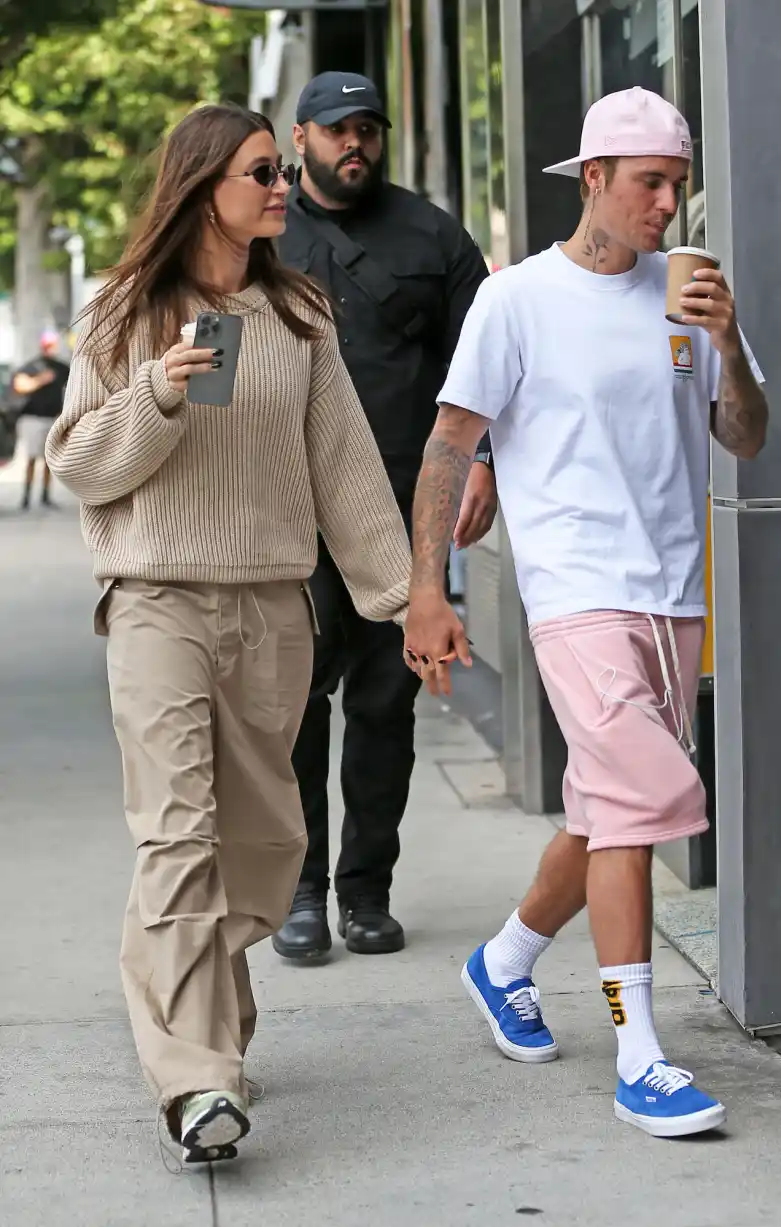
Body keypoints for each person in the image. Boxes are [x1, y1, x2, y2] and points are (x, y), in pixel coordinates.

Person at [46, 104, 411, 1165]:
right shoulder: (123, 312)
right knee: (176, 836)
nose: (281, 185)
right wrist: (155, 396)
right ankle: (198, 1081)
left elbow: (345, 467)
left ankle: (197, 1006)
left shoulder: (296, 312)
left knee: (256, 847)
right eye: (261, 171)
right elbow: (79, 466)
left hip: (271, 608)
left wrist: (405, 598)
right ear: (208, 185)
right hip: (157, 601)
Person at [403, 88, 769, 1138]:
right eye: (652, 183)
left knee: (607, 814)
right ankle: (640, 1051)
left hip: (671, 598)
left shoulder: (689, 294)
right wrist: (427, 589)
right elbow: (448, 444)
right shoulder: (517, 299)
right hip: (571, 592)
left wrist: (730, 346)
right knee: (651, 799)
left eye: (679, 185)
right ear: (595, 177)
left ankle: (506, 959)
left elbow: (744, 438)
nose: (669, 205)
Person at [273, 72, 497, 962]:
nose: (353, 142)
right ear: (301, 139)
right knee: (292, 704)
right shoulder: (259, 230)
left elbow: (486, 364)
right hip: (284, 516)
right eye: (336, 130)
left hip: (402, 516)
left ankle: (367, 893)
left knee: (384, 704)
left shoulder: (431, 234)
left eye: (367, 127)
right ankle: (300, 891)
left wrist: (485, 462)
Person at [11, 330, 69, 510]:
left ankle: (45, 495)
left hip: (52, 418)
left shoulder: (61, 367)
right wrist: (40, 380)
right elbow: (19, 385)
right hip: (33, 419)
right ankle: (26, 496)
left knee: (48, 460)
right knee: (31, 458)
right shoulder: (32, 366)